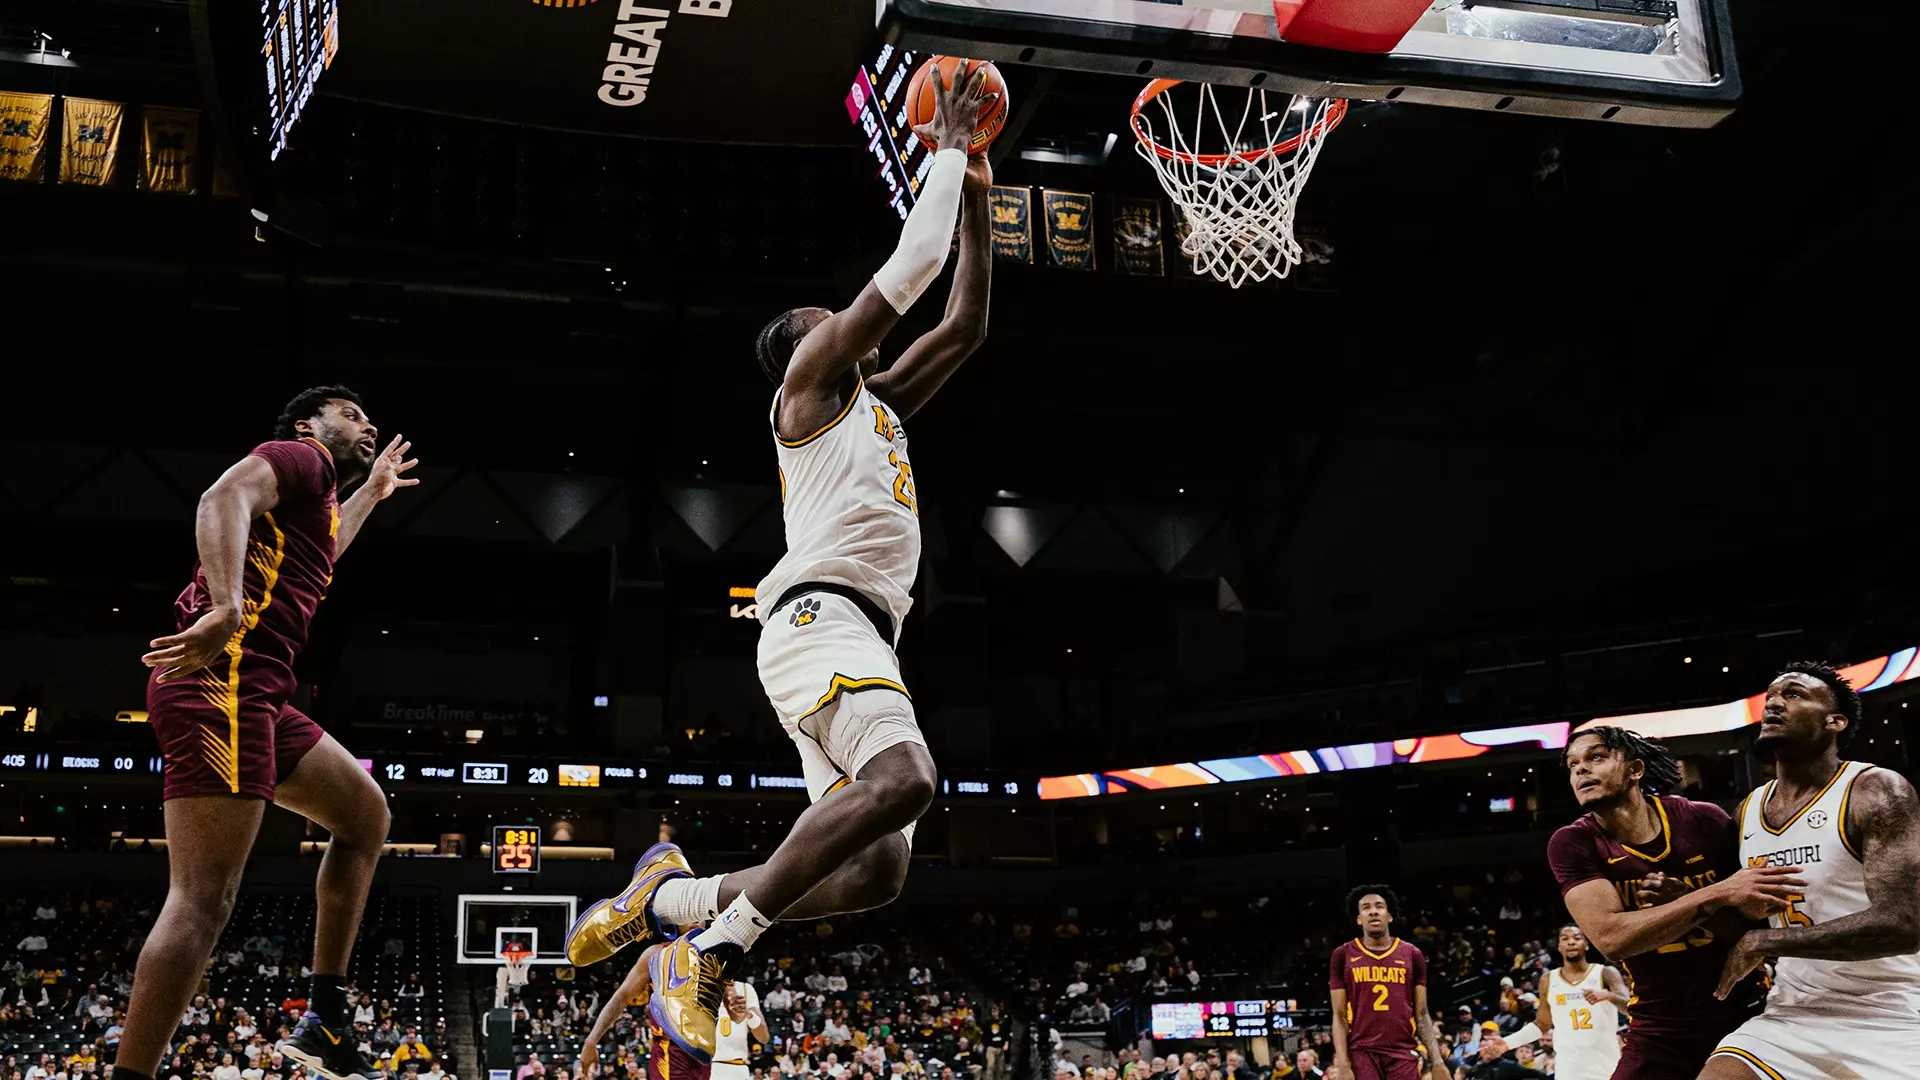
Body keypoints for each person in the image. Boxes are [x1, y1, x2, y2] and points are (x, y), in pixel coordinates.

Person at [565, 60, 1000, 1065]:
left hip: (855, 630)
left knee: (875, 872)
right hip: (821, 617)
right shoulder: (806, 387)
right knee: (908, 778)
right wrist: (943, 150)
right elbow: (913, 267)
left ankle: (667, 902)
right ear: (807, 346)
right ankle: (714, 952)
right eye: (826, 316)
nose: (841, 318)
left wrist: (977, 192)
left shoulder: (880, 407)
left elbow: (967, 324)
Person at [115, 387, 417, 1080]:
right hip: (222, 682)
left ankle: (325, 1019)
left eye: (369, 417)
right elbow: (221, 497)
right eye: (351, 415)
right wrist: (225, 606)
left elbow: (323, 552)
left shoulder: (318, 498)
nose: (368, 424)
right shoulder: (300, 456)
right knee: (202, 901)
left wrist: (371, 493)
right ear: (310, 426)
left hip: (259, 695)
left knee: (365, 816)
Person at [1696, 662, 1920, 1080]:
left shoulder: (1874, 791)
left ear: (1835, 721)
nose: (1774, 704)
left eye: (1794, 694)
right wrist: (1691, 902)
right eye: (1771, 697)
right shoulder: (1748, 811)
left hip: (1892, 1009)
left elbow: (1904, 925)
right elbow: (1747, 924)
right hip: (1792, 1011)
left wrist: (1765, 940)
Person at [1547, 725, 1804, 1079]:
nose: (1581, 770)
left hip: (1746, 1012)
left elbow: (1755, 929)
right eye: (1573, 765)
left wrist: (1688, 901)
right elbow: (1612, 939)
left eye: (1597, 757)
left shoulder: (1703, 820)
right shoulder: (1572, 843)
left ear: (1635, 769)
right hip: (1660, 1025)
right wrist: (1711, 894)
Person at [1327, 886, 1450, 1080]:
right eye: (1366, 908)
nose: (1373, 911)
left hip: (1402, 1051)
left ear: (1389, 916)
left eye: (1379, 906)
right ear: (1359, 919)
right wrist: (1342, 1065)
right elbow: (1339, 1016)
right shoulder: (1342, 955)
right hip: (1362, 1052)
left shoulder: (1412, 954)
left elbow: (1422, 1014)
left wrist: (1438, 1063)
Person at [578, 941, 711, 1080]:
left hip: (708, 1050)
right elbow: (622, 997)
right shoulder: (657, 954)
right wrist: (591, 1040)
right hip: (670, 1051)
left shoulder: (715, 950)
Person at [1533, 924, 1625, 1080]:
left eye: (1577, 938)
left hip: (1604, 1066)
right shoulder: (1548, 980)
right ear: (1559, 947)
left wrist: (1608, 995)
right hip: (1569, 1069)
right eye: (1565, 939)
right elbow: (1541, 1023)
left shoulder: (1606, 973)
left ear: (1587, 945)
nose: (1571, 942)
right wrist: (1508, 1042)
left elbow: (1630, 1006)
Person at [715, 983, 770, 1080]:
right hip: (703, 1067)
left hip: (736, 1068)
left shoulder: (745, 989)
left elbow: (764, 1038)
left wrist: (749, 1015)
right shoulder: (695, 986)